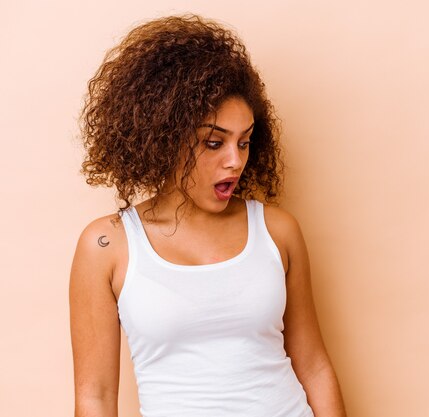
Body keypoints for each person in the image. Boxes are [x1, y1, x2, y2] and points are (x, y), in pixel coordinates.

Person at [69, 14, 347, 417]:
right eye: (214, 142)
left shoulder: (277, 231)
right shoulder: (107, 246)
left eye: (245, 142)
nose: (235, 161)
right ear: (163, 138)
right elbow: (93, 395)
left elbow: (315, 367)